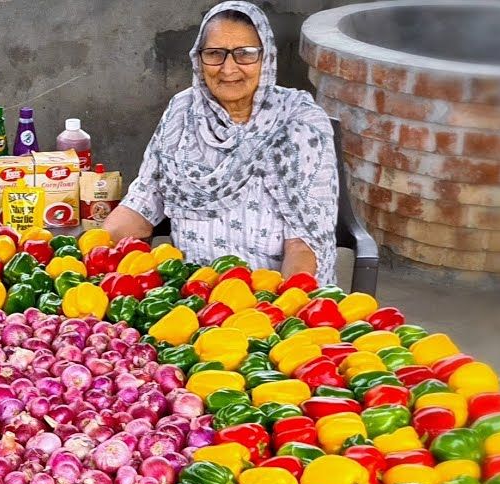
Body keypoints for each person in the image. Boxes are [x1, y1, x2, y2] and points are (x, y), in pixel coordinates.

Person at [105, 1, 338, 284]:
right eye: (214, 54)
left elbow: (304, 242)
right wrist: (88, 249)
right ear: (198, 58)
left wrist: (285, 305)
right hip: (190, 290)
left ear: (267, 57)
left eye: (245, 54)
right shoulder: (183, 112)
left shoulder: (299, 123)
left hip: (267, 293)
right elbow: (143, 201)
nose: (228, 68)